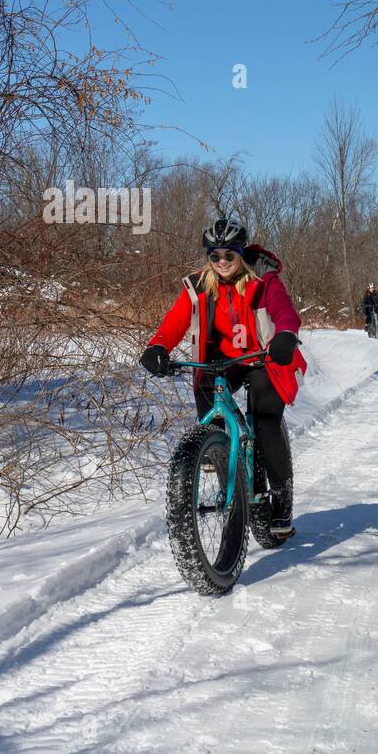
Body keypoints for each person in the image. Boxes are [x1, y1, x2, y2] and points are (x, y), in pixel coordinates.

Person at [140, 217, 307, 539]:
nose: (221, 262)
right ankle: (216, 452)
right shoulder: (199, 286)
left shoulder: (264, 283)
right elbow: (175, 321)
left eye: (228, 255)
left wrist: (285, 335)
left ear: (240, 254)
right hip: (221, 360)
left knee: (265, 422)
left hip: (264, 358)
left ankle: (281, 501)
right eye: (214, 256)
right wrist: (158, 346)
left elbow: (284, 312)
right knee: (207, 406)